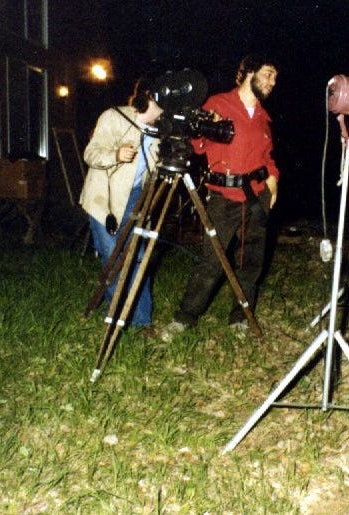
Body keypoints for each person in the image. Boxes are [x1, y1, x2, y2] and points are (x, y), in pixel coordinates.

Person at [162, 54, 279, 338]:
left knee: (251, 261)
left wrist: (273, 181)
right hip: (223, 195)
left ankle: (240, 317)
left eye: (275, 77)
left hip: (257, 196)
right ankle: (185, 318)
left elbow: (267, 156)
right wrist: (207, 127)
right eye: (267, 74)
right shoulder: (218, 104)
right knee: (212, 260)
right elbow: (197, 147)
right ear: (248, 74)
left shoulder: (264, 117)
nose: (272, 82)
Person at [80, 77, 163, 334]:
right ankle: (114, 320)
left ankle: (141, 322)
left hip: (138, 199)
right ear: (151, 97)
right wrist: (115, 155)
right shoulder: (114, 117)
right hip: (105, 201)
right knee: (114, 261)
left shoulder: (160, 130)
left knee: (138, 259)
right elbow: (90, 154)